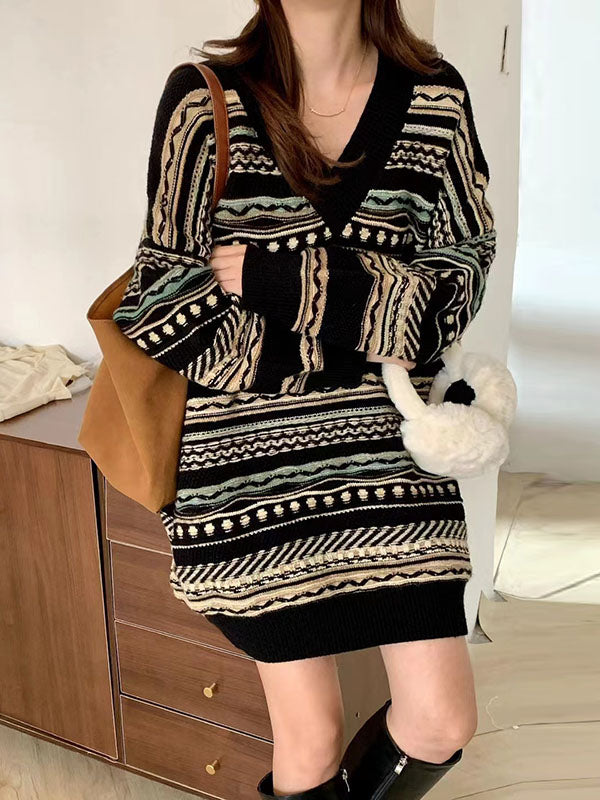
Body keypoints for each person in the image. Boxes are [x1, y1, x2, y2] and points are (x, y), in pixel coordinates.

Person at [111, 1, 496, 797]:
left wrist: (279, 280)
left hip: (389, 461)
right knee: (311, 741)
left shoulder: (435, 97)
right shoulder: (204, 99)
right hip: (250, 474)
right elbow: (162, 301)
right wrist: (364, 322)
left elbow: (452, 292)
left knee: (441, 720)